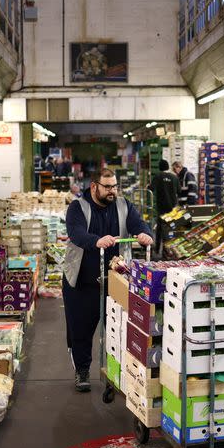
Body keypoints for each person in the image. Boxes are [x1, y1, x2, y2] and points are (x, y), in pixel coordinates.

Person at [63, 168, 153, 392]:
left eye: (114, 186)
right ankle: (82, 371)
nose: (112, 191)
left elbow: (138, 224)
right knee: (81, 329)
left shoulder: (124, 206)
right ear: (94, 187)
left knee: (118, 327)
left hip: (116, 281)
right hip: (82, 281)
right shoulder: (78, 207)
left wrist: (144, 233)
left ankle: (117, 371)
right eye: (107, 187)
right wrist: (96, 241)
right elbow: (76, 233)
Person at [150, 160, 180, 254]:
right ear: (168, 167)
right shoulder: (174, 177)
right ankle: (168, 251)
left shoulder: (158, 176)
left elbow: (151, 188)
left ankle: (157, 248)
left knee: (159, 228)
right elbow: (179, 191)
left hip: (161, 207)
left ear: (160, 167)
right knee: (170, 227)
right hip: (172, 207)